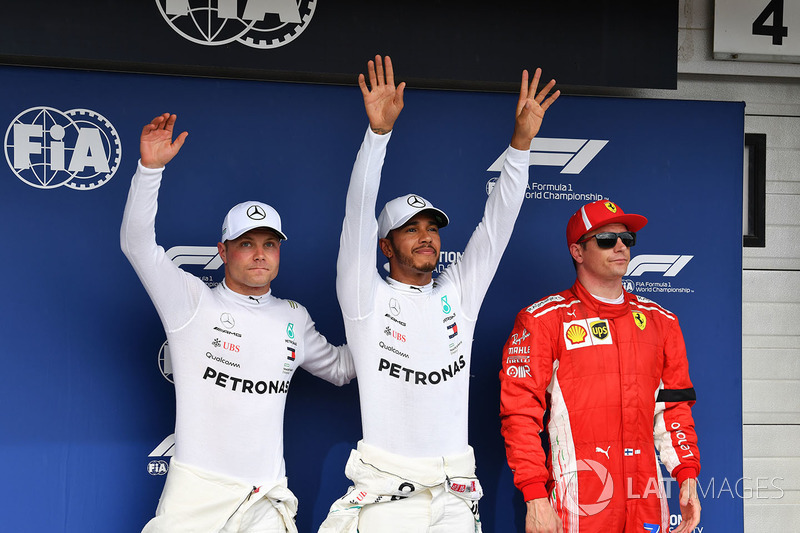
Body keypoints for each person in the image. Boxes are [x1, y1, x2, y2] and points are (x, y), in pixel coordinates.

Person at [319, 56, 559, 533]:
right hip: (388, 498)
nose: (426, 236)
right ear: (385, 245)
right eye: (410, 230)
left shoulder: (458, 295)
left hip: (453, 496)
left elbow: (498, 224)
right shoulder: (364, 298)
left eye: (432, 227)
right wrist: (378, 136)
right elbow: (358, 211)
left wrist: (521, 144)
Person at [121, 113, 355, 533]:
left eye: (269, 244)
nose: (259, 254)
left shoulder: (292, 317)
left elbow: (341, 369)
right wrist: (149, 170)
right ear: (223, 251)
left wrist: (400, 332)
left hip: (265, 497)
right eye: (246, 244)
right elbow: (136, 244)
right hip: (196, 493)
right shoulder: (192, 302)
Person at [499, 199, 702, 533]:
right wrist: (534, 495)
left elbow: (674, 409)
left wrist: (686, 474)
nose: (621, 246)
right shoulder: (542, 320)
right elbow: (519, 415)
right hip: (580, 501)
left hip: (646, 498)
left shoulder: (661, 321)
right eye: (607, 239)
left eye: (627, 239)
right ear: (578, 252)